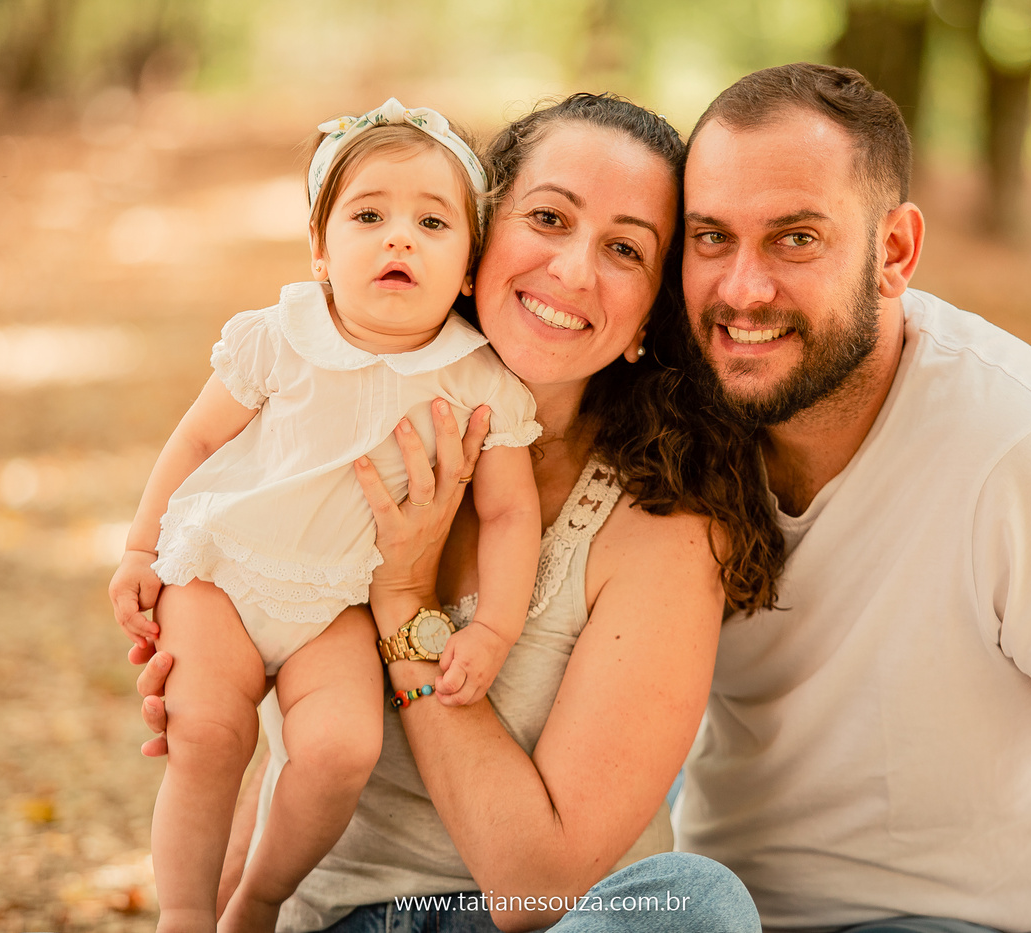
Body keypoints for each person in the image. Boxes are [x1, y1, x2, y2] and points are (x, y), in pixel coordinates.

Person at [131, 92, 778, 932]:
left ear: (647, 323)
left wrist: (406, 609)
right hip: (339, 916)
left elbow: (536, 882)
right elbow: (286, 752)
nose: (573, 270)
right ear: (480, 236)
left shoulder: (662, 526)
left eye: (624, 248)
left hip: (542, 921)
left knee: (695, 904)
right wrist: (215, 691)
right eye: (548, 217)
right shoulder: (345, 425)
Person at [675, 63, 1031, 933]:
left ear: (895, 252)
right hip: (724, 908)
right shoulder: (672, 419)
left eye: (796, 238)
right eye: (712, 237)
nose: (742, 289)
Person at [108, 98, 546, 933]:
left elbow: (508, 514)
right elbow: (197, 437)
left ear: (468, 267)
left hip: (339, 603)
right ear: (320, 249)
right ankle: (186, 913)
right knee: (208, 734)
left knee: (344, 748)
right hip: (223, 573)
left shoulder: (478, 378)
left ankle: (260, 897)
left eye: (432, 221)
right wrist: (139, 547)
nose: (398, 238)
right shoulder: (281, 335)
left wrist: (493, 628)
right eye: (369, 216)